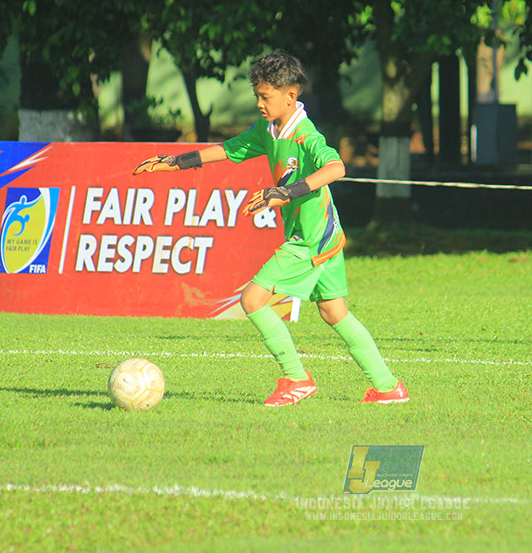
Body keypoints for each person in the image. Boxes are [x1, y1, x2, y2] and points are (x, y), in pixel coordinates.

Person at [133, 51, 408, 407]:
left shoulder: (305, 133)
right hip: (326, 236)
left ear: (290, 96)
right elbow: (230, 150)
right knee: (334, 311)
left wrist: (284, 192)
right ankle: (387, 386)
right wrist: (176, 162)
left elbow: (336, 168)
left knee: (252, 299)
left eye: (266, 97)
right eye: (257, 96)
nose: (259, 104)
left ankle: (296, 379)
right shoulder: (268, 130)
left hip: (309, 239)